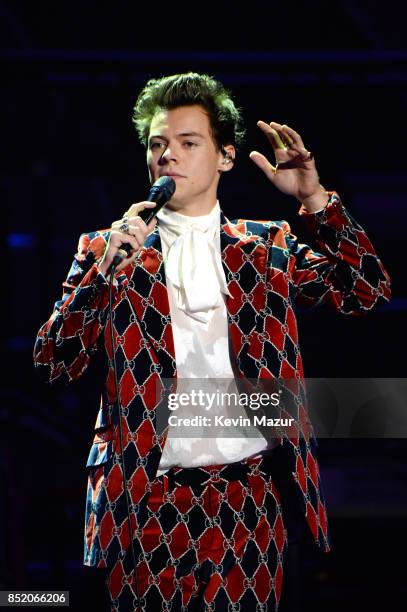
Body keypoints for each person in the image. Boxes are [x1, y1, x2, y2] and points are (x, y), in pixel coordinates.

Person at [34, 72, 391, 611]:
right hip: (144, 499)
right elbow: (53, 361)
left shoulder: (265, 247)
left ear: (225, 156)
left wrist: (315, 198)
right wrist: (102, 273)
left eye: (187, 142)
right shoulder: (106, 249)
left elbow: (366, 290)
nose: (167, 156)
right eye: (157, 144)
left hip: (248, 497)